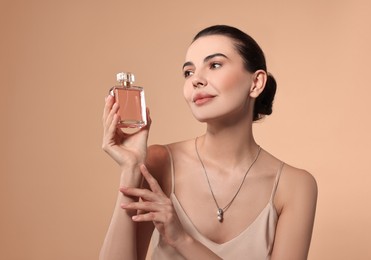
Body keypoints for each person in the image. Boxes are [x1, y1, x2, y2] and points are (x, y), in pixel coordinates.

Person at [100, 25, 318, 260]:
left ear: (256, 83)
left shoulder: (294, 186)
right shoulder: (159, 163)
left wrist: (182, 239)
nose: (196, 80)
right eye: (188, 72)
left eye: (214, 65)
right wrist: (131, 169)